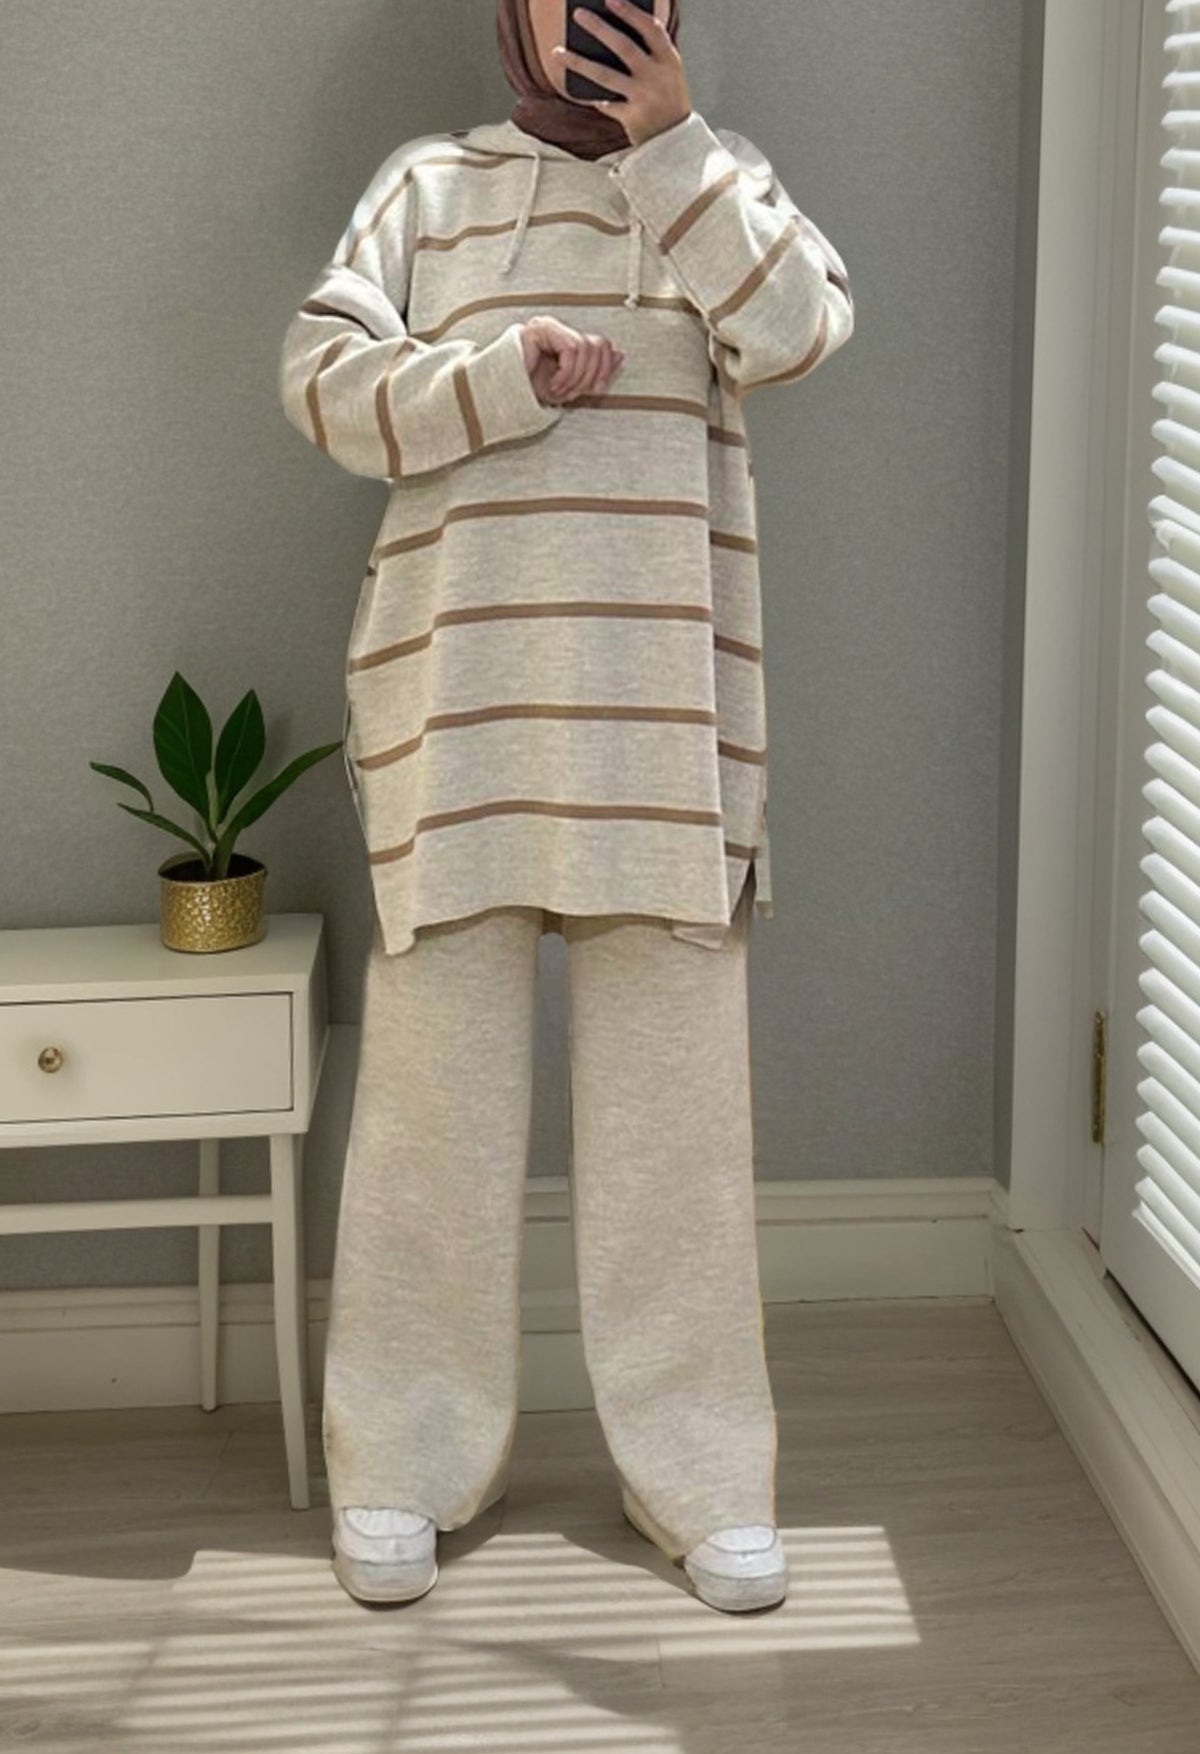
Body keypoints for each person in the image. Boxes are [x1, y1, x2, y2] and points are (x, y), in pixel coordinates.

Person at [278, 0, 854, 1614]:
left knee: (677, 1147)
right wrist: (494, 379)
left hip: (666, 739)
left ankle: (703, 1481)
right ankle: (401, 1463)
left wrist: (673, 149)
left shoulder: (722, 179)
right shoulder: (430, 186)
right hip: (457, 721)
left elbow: (799, 332)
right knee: (431, 1133)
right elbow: (320, 382)